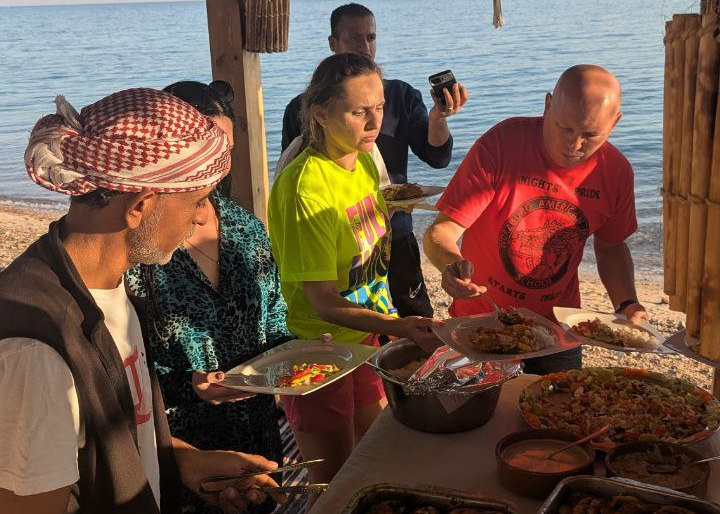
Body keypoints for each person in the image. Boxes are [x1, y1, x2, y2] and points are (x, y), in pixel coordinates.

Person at [0, 88, 285, 513]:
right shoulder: (34, 351)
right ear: (140, 206)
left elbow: (115, 432)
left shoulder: (110, 288)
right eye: (197, 200)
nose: (203, 216)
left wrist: (183, 462)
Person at [268, 53, 442, 504]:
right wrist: (400, 326)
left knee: (375, 458)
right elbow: (322, 302)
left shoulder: (363, 161)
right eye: (358, 111)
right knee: (332, 483)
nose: (374, 122)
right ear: (320, 114)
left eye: (379, 107)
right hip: (317, 348)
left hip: (364, 337)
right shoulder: (306, 188)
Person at [124, 81, 292, 514]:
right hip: (180, 451)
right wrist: (192, 386)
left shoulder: (244, 226)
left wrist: (299, 356)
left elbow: (274, 317)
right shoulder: (140, 247)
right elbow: (121, 372)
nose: (219, 165)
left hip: (258, 436)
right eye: (207, 151)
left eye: (227, 150)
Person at [423, 64, 648, 375]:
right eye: (564, 128)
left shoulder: (616, 172)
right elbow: (441, 231)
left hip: (558, 330)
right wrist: (451, 265)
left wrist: (626, 303)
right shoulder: (502, 144)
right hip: (482, 321)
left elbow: (611, 246)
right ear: (547, 104)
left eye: (590, 135)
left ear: (615, 123)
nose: (575, 145)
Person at [281, 3, 468, 322]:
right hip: (341, 246)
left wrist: (438, 118)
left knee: (415, 319)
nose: (365, 47)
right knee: (362, 323)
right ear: (333, 43)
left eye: (371, 37)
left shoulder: (400, 95)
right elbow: (300, 178)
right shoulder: (304, 108)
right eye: (354, 38)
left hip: (395, 235)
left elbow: (437, 157)